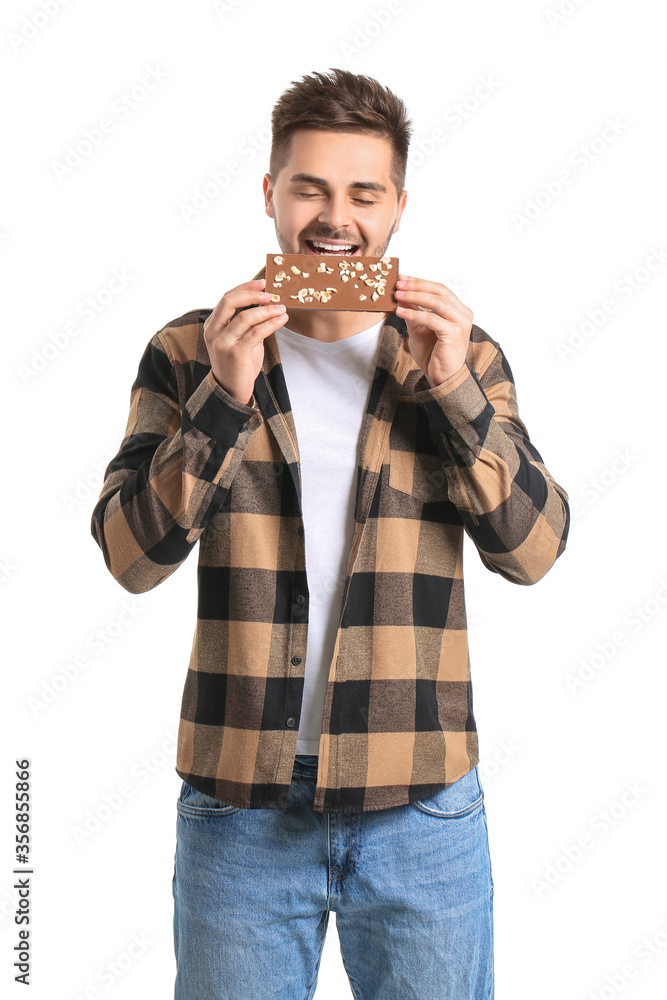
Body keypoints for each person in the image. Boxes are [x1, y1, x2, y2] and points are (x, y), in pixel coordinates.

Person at [91, 67, 569, 1000]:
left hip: (422, 809)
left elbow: (534, 548)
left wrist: (452, 391)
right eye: (309, 186)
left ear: (395, 208)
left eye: (362, 192)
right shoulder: (189, 351)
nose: (333, 217)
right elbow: (127, 557)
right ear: (271, 195)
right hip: (241, 814)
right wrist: (221, 401)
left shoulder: (460, 353)